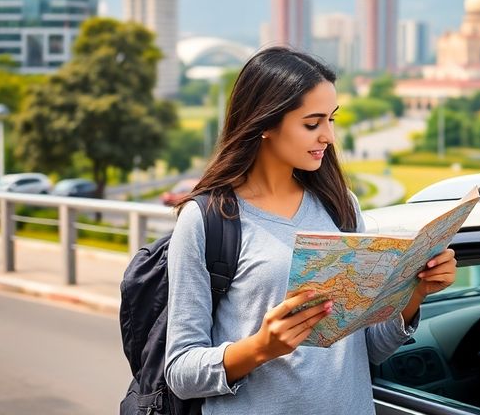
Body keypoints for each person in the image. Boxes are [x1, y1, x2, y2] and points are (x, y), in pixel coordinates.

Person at [165, 47, 457, 413]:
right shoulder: (208, 219)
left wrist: (416, 292)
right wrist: (260, 348)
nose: (329, 137)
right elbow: (180, 371)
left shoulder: (341, 205)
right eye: (312, 123)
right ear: (266, 123)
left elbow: (370, 350)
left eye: (331, 119)